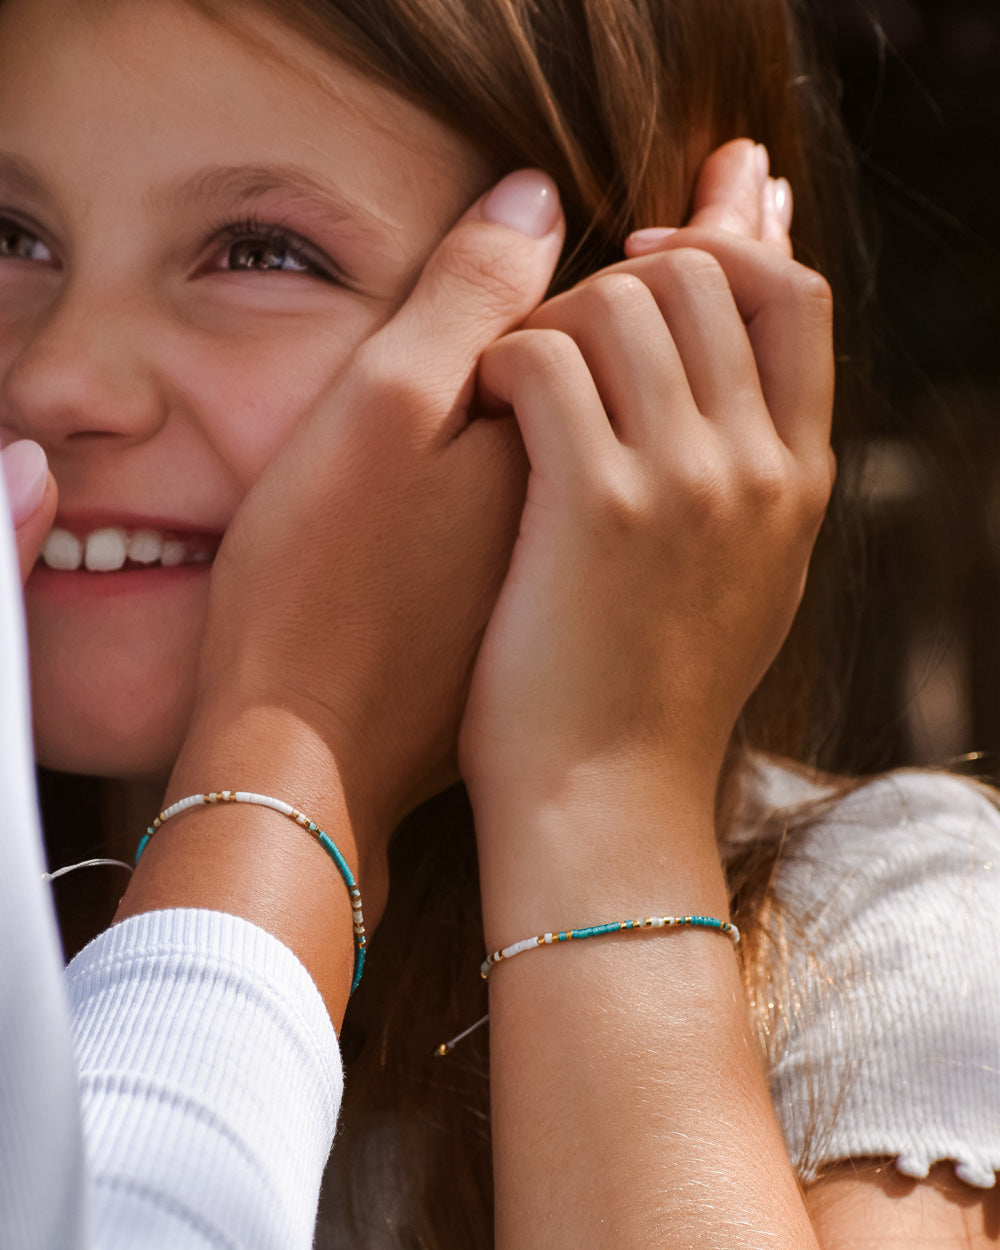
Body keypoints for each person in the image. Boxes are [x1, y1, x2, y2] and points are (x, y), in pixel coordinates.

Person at [0, 0, 996, 1247]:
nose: (55, 380)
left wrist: (601, 799)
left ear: (642, 344)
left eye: (261, 252)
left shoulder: (859, 925)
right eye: (8, 232)